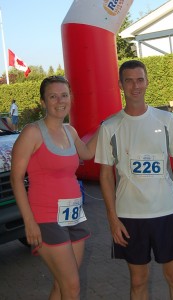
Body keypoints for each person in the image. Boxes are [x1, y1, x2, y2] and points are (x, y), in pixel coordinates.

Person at [95, 60, 173, 300]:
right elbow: (105, 176)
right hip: (130, 216)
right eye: (128, 80)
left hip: (167, 211)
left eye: (140, 79)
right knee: (138, 282)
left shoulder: (166, 120)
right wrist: (111, 218)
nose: (135, 86)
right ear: (120, 85)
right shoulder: (110, 126)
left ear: (147, 82)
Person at [10, 75, 99, 300]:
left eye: (64, 95)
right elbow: (16, 178)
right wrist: (29, 221)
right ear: (43, 102)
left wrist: (106, 127)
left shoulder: (70, 131)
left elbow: (87, 153)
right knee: (72, 287)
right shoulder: (32, 132)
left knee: (63, 286)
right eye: (52, 96)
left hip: (74, 215)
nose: (59, 100)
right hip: (46, 218)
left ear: (71, 98)